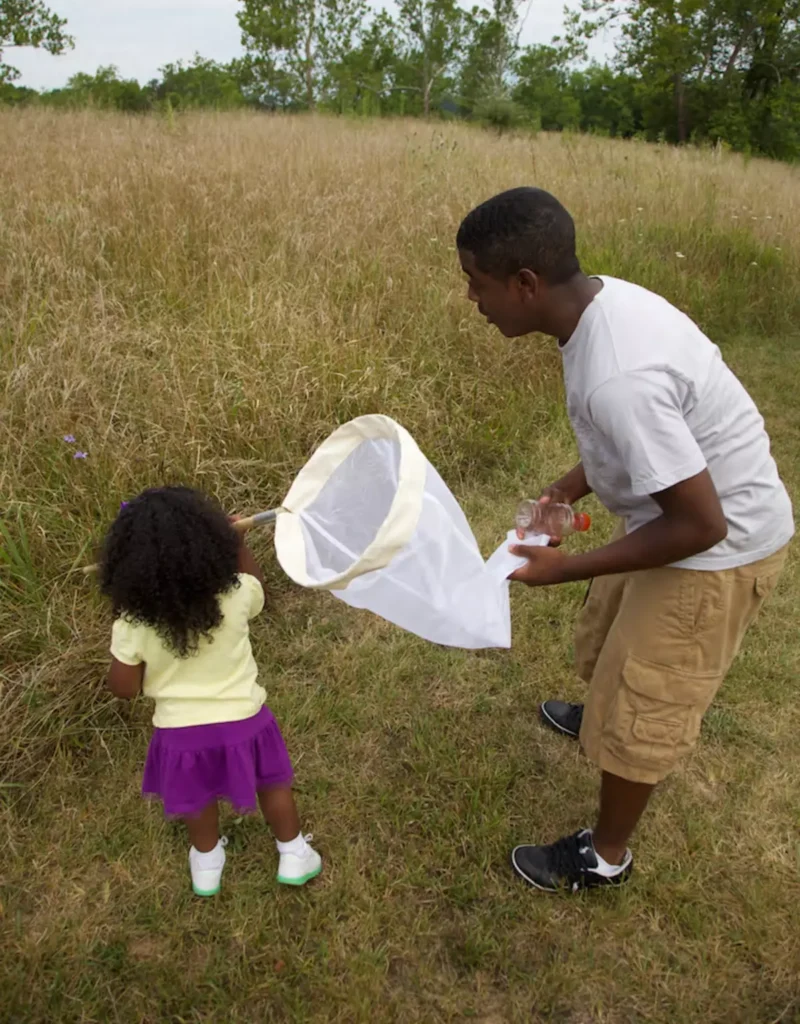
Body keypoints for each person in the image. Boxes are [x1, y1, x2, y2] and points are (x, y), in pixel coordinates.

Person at [456, 187, 793, 893]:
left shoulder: (620, 373)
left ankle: (605, 855)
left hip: (712, 551)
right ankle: (603, 713)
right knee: (614, 634)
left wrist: (564, 566)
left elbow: (702, 524)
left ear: (525, 285)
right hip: (667, 522)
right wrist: (566, 492)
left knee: (650, 697)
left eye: (477, 286)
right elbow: (634, 441)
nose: (471, 301)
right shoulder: (599, 307)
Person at [100, 486, 321, 897]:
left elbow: (124, 688)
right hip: (247, 721)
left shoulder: (132, 621)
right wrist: (238, 544)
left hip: (181, 733)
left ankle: (206, 864)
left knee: (196, 799)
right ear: (208, 544)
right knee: (273, 785)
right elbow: (257, 589)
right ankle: (293, 853)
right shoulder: (235, 594)